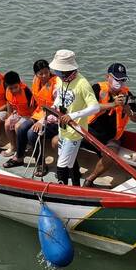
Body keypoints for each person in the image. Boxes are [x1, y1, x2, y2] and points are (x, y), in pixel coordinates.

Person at [82, 63, 136, 187]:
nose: (119, 82)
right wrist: (113, 104)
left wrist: (128, 111)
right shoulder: (97, 88)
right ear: (107, 77)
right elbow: (88, 107)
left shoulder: (128, 96)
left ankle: (90, 180)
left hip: (111, 138)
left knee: (111, 156)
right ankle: (70, 171)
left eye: (122, 79)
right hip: (89, 131)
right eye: (116, 78)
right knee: (58, 141)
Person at [47, 50, 100, 185]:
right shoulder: (60, 80)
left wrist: (72, 115)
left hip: (75, 130)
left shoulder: (82, 84)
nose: (57, 74)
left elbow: (95, 107)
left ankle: (62, 187)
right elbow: (59, 97)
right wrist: (54, 109)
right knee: (69, 162)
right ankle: (76, 185)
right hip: (62, 128)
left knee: (62, 163)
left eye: (60, 71)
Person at [8, 59, 58, 175]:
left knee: (31, 133)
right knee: (21, 128)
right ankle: (19, 157)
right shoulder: (36, 81)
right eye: (40, 73)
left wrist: (41, 122)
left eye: (46, 72)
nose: (44, 75)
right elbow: (36, 98)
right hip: (39, 113)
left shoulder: (56, 84)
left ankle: (41, 163)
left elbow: (56, 107)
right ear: (36, 74)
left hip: (53, 117)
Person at [1, 71, 36, 168]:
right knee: (7, 124)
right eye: (10, 88)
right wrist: (9, 115)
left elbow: (33, 108)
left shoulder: (26, 92)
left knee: (18, 126)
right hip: (18, 112)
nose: (13, 90)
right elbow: (8, 102)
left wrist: (30, 119)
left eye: (15, 87)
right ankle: (13, 147)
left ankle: (23, 148)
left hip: (28, 115)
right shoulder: (7, 89)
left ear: (19, 83)